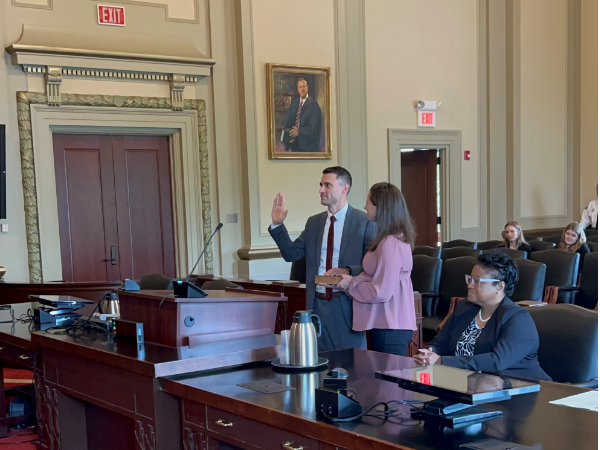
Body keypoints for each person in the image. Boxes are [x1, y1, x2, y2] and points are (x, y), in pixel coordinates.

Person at [268, 166, 375, 351]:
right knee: (317, 366)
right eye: (320, 185)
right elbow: (291, 254)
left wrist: (349, 270)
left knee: (350, 366)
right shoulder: (314, 223)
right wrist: (278, 225)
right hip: (316, 306)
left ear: (345, 188)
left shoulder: (363, 221)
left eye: (327, 185)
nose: (321, 190)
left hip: (346, 305)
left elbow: (372, 265)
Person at [413, 250, 551, 381]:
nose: (470, 285)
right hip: (470, 385)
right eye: (470, 279)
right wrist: (429, 352)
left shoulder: (517, 318)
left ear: (499, 286)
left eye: (477, 281)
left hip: (517, 390)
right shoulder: (465, 308)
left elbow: (496, 361)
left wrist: (440, 361)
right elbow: (440, 342)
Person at [331, 183, 417, 357]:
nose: (365, 207)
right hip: (387, 322)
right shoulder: (390, 239)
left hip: (390, 324)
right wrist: (349, 277)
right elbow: (374, 277)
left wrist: (350, 284)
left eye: (368, 202)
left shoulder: (390, 243)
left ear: (381, 207)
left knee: (388, 382)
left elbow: (381, 291)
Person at [282, 78, 322, 152]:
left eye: (304, 86)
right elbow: (288, 122)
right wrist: (288, 137)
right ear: (298, 89)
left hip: (307, 146)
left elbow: (314, 128)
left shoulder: (314, 105)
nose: (302, 89)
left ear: (307, 88)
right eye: (300, 87)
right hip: (294, 145)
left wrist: (299, 132)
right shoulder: (294, 103)